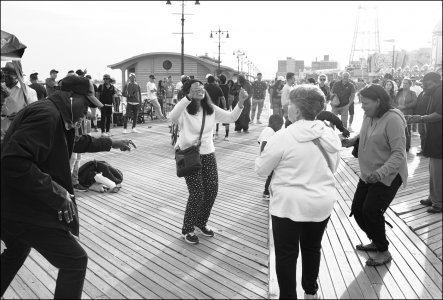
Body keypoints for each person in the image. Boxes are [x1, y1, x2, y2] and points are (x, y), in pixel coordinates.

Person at [1, 75, 136, 299]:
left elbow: (73, 142)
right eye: (87, 104)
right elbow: (14, 161)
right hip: (23, 208)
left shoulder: (52, 112)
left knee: (16, 251)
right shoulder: (47, 115)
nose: (89, 112)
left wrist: (110, 142)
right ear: (71, 97)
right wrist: (57, 192)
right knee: (75, 261)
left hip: (14, 204)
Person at [255, 84, 341, 299]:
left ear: (298, 110)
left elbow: (261, 170)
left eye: (290, 104)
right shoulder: (329, 134)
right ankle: (311, 292)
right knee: (312, 248)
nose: (287, 108)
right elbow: (334, 166)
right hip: (321, 202)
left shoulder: (283, 136)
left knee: (286, 255)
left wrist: (261, 152)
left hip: (288, 205)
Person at [169, 79, 248, 244]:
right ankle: (187, 228)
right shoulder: (184, 110)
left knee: (212, 190)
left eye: (201, 87)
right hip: (188, 154)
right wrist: (188, 98)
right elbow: (172, 116)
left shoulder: (210, 109)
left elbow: (231, 117)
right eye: (195, 88)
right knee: (197, 193)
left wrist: (240, 102)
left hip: (208, 153)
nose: (200, 89)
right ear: (188, 92)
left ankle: (200, 222)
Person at [343, 84, 408, 266]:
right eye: (361, 103)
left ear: (378, 101)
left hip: (387, 175)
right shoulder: (369, 115)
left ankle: (383, 250)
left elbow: (398, 153)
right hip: (368, 173)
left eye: (365, 103)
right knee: (357, 209)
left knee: (371, 211)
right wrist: (353, 140)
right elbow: (364, 132)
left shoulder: (393, 119)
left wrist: (380, 173)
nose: (361, 106)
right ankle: (375, 240)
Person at [405, 72, 442, 213]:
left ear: (435, 82)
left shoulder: (440, 91)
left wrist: (421, 118)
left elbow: (440, 114)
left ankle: (439, 202)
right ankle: (433, 197)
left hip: (439, 137)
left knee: (438, 171)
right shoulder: (434, 92)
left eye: (428, 84)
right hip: (434, 136)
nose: (425, 87)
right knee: (433, 169)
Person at [1, 63, 38, 141]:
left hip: (16, 136)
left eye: (9, 73)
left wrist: (21, 116)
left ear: (17, 75)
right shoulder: (1, 88)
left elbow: (34, 113)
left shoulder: (28, 92)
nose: (5, 75)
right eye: (4, 72)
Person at [257, 114, 284, 199]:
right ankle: (266, 192)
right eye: (280, 126)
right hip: (268, 157)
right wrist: (264, 155)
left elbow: (259, 141)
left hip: (266, 157)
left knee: (272, 174)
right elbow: (264, 142)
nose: (280, 128)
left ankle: (269, 191)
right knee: (272, 175)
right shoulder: (270, 131)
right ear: (275, 123)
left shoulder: (265, 129)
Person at [393, 78, 417, 152]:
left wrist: (405, 106)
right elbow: (394, 101)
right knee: (398, 130)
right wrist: (396, 106)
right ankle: (399, 146)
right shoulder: (399, 93)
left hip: (408, 113)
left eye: (406, 83)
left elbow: (414, 103)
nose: (404, 85)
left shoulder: (412, 93)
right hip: (399, 113)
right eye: (403, 83)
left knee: (407, 130)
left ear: (410, 85)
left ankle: (407, 146)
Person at [218, 74, 231, 141]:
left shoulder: (218, 86)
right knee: (226, 121)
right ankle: (226, 135)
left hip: (219, 105)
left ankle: (216, 133)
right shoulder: (227, 86)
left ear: (220, 80)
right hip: (226, 106)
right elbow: (228, 96)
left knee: (216, 120)